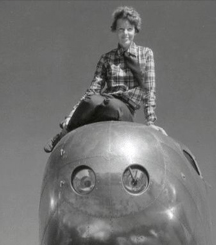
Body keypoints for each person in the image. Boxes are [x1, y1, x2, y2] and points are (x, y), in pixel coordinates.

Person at [44, 6, 166, 153]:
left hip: (124, 109)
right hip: (104, 101)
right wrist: (71, 117)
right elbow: (92, 91)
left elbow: (149, 89)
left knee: (111, 106)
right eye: (121, 29)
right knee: (91, 101)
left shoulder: (146, 54)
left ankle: (82, 125)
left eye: (129, 29)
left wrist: (150, 121)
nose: (125, 33)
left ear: (135, 30)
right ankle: (64, 134)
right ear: (116, 30)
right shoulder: (107, 58)